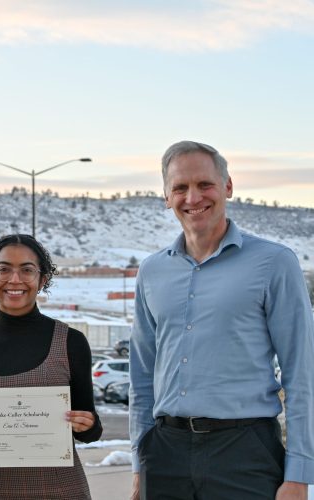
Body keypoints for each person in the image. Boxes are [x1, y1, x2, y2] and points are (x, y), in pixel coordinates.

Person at [129, 140, 314, 499]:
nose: (193, 197)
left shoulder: (274, 263)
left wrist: (299, 474)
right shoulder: (151, 272)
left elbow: (301, 374)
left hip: (245, 452)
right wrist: (141, 464)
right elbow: (142, 377)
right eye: (180, 187)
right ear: (166, 196)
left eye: (205, 184)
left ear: (227, 186)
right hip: (164, 454)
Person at [0, 234, 102, 500]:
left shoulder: (71, 342)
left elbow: (92, 431)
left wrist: (86, 424)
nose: (15, 280)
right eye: (4, 269)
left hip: (62, 491)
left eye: (27, 270)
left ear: (42, 279)